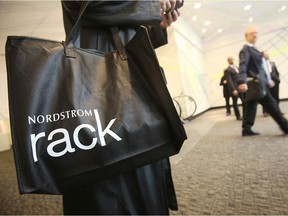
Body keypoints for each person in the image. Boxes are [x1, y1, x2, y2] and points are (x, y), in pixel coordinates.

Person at [61, 0, 183, 214]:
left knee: (145, 179)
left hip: (134, 89)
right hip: (97, 92)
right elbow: (86, 6)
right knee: (110, 188)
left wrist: (156, 21)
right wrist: (151, 5)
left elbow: (125, 33)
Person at [237, 26, 288, 136]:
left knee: (250, 106)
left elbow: (261, 67)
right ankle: (285, 126)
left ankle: (246, 129)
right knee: (272, 105)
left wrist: (268, 80)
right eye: (252, 33)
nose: (255, 35)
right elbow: (243, 65)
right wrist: (242, 81)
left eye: (256, 33)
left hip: (259, 84)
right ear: (246, 36)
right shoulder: (246, 49)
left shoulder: (254, 49)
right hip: (256, 85)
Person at [262, 50, 281, 116]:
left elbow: (276, 72)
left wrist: (278, 79)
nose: (267, 55)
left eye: (268, 54)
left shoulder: (272, 63)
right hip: (266, 82)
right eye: (266, 54)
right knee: (267, 97)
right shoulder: (261, 64)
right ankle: (266, 111)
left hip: (275, 82)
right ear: (263, 56)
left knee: (276, 96)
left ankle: (277, 111)